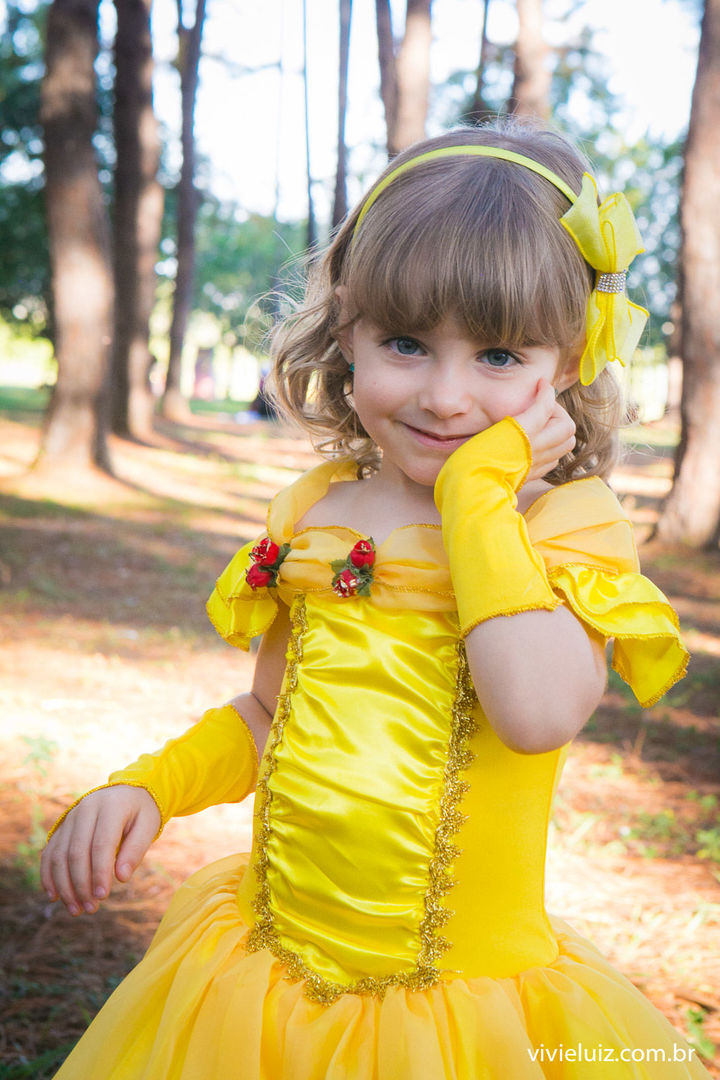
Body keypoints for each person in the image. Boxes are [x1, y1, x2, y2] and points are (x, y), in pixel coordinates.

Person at [41, 121, 709, 1080]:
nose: (445, 396)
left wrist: (478, 500)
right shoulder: (319, 512)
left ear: (566, 362)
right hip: (265, 985)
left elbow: (534, 715)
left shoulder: (567, 527)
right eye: (406, 343)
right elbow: (268, 715)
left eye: (499, 356)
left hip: (461, 1015)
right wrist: (153, 785)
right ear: (348, 333)